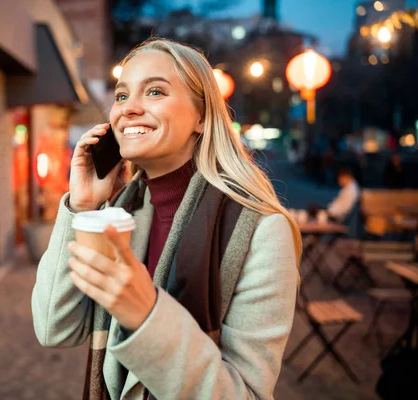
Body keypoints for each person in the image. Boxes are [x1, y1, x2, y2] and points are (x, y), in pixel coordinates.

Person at [31, 39, 301, 399]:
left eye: (155, 91)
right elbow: (54, 329)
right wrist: (81, 207)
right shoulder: (119, 215)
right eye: (122, 95)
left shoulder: (260, 230)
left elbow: (245, 394)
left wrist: (147, 316)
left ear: (202, 117)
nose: (128, 109)